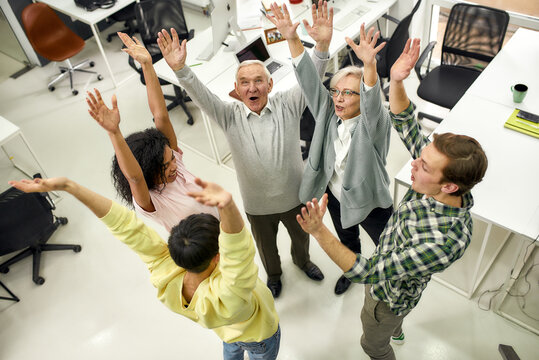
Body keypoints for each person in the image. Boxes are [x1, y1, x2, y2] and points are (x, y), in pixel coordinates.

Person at [296, 38, 488, 360]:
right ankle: (396, 328)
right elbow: (404, 120)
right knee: (392, 322)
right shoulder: (437, 179)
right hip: (391, 255)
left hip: (388, 296)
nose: (413, 163)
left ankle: (390, 330)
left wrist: (318, 231)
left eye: (423, 165)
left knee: (373, 344)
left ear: (451, 187)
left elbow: (368, 272)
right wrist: (397, 81)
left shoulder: (445, 240)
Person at [156, 0, 335, 298]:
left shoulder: (288, 104)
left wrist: (321, 47)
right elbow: (200, 95)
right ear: (236, 90)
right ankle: (275, 276)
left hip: (296, 198)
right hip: (257, 207)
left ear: (270, 85)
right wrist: (180, 69)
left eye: (258, 81)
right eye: (244, 83)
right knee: (266, 250)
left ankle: (303, 262)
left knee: (301, 241)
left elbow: (310, 80)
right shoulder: (228, 115)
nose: (252, 88)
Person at [9, 176, 280, 360]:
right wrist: (229, 205)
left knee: (230, 346)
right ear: (217, 258)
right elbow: (239, 255)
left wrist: (70, 186)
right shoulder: (230, 295)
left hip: (226, 332)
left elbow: (125, 225)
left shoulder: (166, 273)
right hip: (259, 336)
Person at [267, 3, 393, 295]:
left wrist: (370, 66)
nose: (339, 98)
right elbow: (310, 80)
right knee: (346, 237)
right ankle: (351, 270)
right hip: (336, 197)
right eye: (336, 91)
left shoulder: (373, 123)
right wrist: (292, 38)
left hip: (372, 202)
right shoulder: (329, 111)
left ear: (362, 98)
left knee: (388, 245)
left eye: (348, 93)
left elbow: (374, 99)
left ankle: (388, 282)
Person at [85, 32, 218, 232]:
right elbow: (135, 177)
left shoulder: (175, 165)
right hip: (202, 253)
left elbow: (161, 116)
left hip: (223, 230)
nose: (174, 164)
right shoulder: (153, 201)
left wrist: (147, 65)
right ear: (149, 170)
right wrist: (114, 133)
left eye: (172, 158)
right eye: (165, 165)